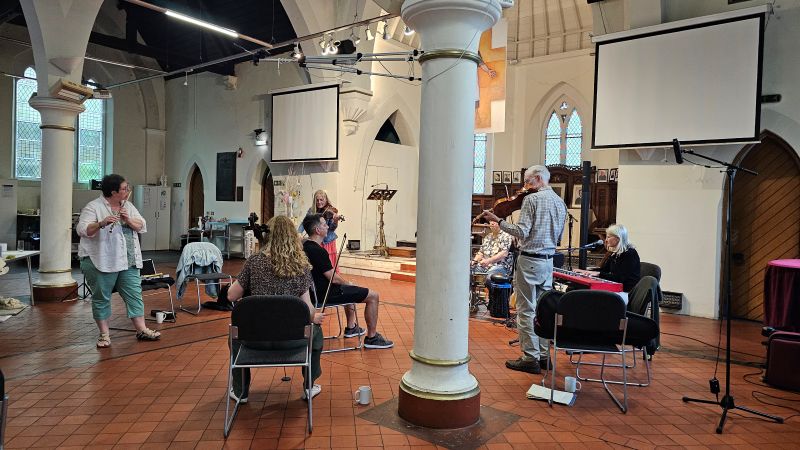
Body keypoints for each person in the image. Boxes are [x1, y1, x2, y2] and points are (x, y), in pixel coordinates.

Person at [226, 215, 326, 402]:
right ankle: (309, 386)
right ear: (292, 237)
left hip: (254, 340)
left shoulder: (254, 261)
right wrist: (315, 317)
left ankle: (240, 391)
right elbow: (308, 308)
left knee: (235, 333)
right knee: (316, 333)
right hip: (292, 341)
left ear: (268, 235)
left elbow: (231, 295)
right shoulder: (300, 266)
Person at [483, 165, 567, 374]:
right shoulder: (560, 202)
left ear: (538, 178)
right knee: (543, 309)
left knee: (526, 310)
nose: (526, 186)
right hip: (548, 262)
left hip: (530, 261)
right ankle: (544, 357)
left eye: (528, 181)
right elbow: (558, 237)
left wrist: (498, 220)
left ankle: (530, 358)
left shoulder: (532, 200)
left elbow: (521, 231)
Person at [76, 174, 161, 348]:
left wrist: (128, 219)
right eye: (124, 188)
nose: (127, 191)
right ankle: (104, 334)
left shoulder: (128, 206)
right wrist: (101, 223)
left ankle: (141, 329)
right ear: (113, 192)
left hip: (128, 259)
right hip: (101, 260)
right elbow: (82, 230)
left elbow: (142, 225)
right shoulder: (94, 207)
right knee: (102, 297)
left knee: (134, 294)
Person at [302, 214, 394, 349]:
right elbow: (333, 277)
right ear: (317, 230)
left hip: (314, 293)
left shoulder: (304, 246)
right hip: (326, 294)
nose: (327, 227)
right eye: (324, 224)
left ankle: (351, 328)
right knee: (373, 296)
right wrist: (347, 284)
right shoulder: (318, 251)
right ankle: (372, 337)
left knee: (350, 289)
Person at [576, 223, 641, 292]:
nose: (606, 240)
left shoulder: (630, 254)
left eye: (608, 237)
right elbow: (605, 269)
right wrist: (586, 271)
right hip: (617, 288)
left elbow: (620, 278)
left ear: (618, 238)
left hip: (626, 291)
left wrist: (598, 274)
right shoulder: (615, 253)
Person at [299, 190, 342, 269]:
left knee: (327, 265)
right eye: (317, 200)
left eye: (321, 200)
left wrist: (335, 221)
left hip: (327, 241)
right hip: (316, 239)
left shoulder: (330, 211)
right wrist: (299, 232)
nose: (319, 202)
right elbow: (304, 222)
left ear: (326, 199)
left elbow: (331, 228)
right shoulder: (312, 210)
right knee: (317, 263)